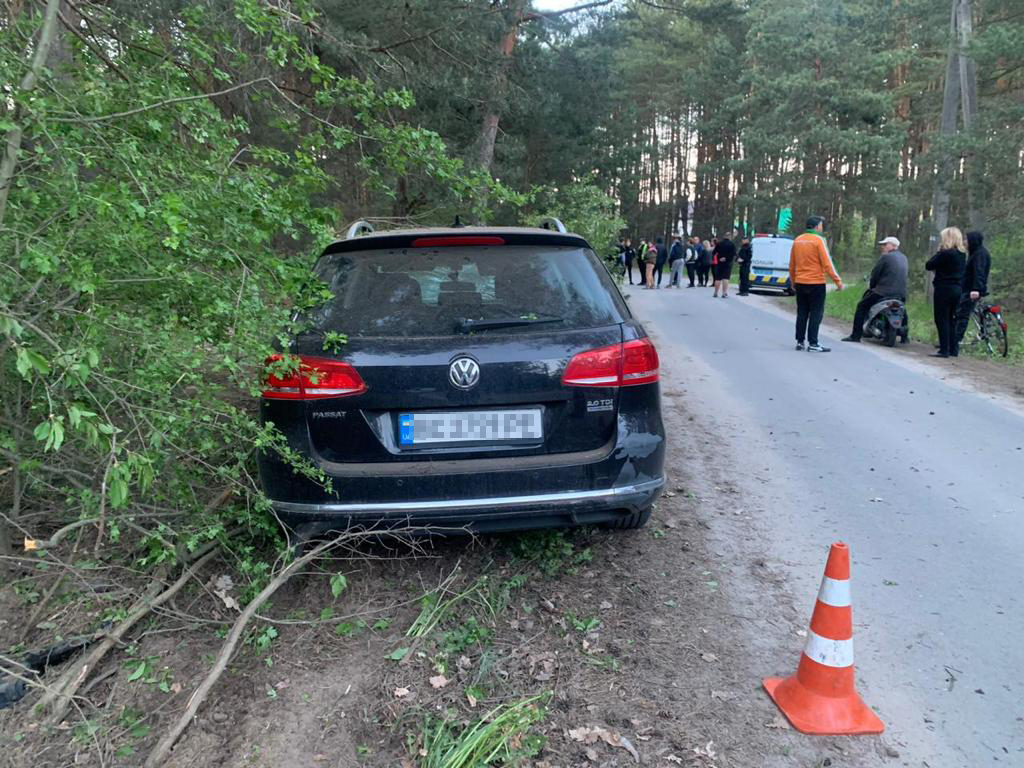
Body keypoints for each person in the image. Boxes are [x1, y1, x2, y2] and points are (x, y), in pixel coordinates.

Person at [789, 215, 843, 352]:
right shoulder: (818, 240)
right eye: (821, 225)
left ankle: (800, 342)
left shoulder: (797, 240)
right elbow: (827, 263)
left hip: (800, 282)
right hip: (816, 283)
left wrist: (793, 281)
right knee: (816, 313)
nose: (822, 227)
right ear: (816, 226)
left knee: (802, 312)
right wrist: (838, 281)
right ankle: (813, 343)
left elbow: (792, 264)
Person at [842, 236, 908, 343]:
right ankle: (905, 338)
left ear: (893, 246)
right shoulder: (904, 258)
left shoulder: (885, 257)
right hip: (901, 293)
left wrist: (872, 287)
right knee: (903, 310)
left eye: (885, 244)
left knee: (861, 306)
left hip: (883, 292)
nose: (883, 247)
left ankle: (855, 336)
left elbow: (875, 274)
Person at [926, 226, 967, 358]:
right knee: (952, 319)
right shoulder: (962, 254)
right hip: (957, 289)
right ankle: (953, 349)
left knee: (941, 319)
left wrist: (939, 251)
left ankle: (944, 349)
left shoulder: (945, 253)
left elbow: (929, 265)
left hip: (944, 288)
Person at [954, 230, 991, 344]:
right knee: (961, 312)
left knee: (962, 314)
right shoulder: (976, 253)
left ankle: (955, 341)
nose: (965, 242)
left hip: (972, 290)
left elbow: (979, 273)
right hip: (968, 288)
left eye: (967, 240)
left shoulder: (979, 254)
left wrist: (976, 289)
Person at [712, 230, 737, 298]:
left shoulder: (719, 244)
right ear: (730, 237)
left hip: (719, 263)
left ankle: (715, 293)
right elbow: (733, 254)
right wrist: (726, 258)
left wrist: (719, 257)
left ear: (724, 236)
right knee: (726, 278)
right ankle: (724, 293)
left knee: (718, 278)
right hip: (728, 263)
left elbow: (714, 252)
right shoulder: (732, 244)